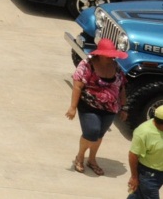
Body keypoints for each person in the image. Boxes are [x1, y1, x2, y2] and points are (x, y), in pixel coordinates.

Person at [68, 37, 128, 175]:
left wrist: (124, 107)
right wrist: (72, 107)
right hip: (89, 106)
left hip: (110, 108)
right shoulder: (87, 65)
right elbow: (77, 86)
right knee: (92, 132)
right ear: (100, 54)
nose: (111, 57)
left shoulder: (116, 67)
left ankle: (92, 159)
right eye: (108, 55)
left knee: (100, 134)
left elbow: (122, 87)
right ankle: (80, 156)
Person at [128, 105, 163, 198]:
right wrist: (134, 177)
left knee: (137, 196)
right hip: (149, 175)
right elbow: (133, 155)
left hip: (160, 173)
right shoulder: (143, 132)